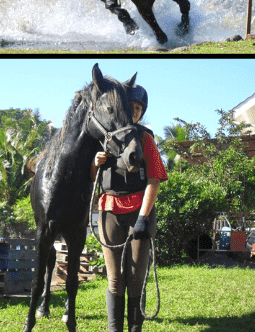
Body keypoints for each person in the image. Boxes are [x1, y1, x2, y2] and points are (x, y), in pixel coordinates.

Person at [89, 84, 167, 332]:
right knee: (114, 279)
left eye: (137, 109)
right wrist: (95, 162)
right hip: (109, 210)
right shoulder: (104, 137)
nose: (133, 112)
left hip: (138, 213)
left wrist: (144, 217)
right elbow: (93, 179)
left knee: (135, 278)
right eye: (129, 107)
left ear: (141, 112)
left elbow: (154, 179)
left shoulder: (145, 138)